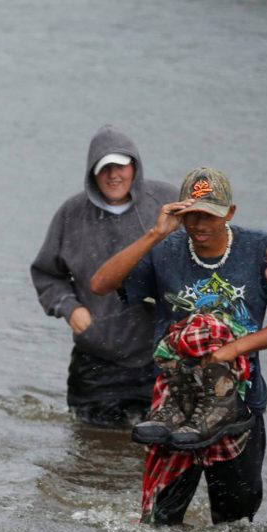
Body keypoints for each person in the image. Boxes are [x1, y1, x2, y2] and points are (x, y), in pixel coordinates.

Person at [90, 167, 267, 524]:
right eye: (191, 215)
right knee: (159, 524)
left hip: (238, 399)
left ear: (230, 213)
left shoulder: (259, 249)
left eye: (209, 216)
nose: (199, 225)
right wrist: (154, 234)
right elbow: (99, 285)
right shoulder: (165, 250)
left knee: (236, 521)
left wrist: (235, 348)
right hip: (176, 403)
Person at [30, 125, 179, 428]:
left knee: (156, 450)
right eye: (105, 167)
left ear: (134, 167)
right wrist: (69, 307)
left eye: (121, 166)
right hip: (96, 361)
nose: (114, 175)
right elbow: (47, 274)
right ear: (92, 173)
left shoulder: (165, 201)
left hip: (161, 357)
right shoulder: (71, 213)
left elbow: (204, 248)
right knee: (90, 453)